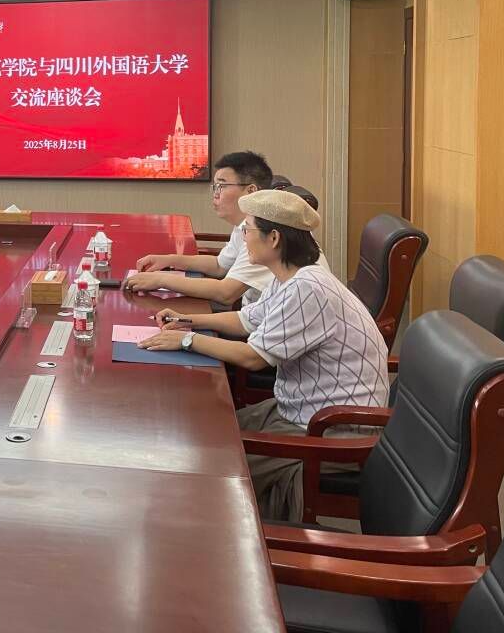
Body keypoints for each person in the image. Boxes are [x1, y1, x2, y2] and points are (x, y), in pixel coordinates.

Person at [139, 190, 389, 520]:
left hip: (331, 428)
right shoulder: (290, 275)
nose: (242, 237)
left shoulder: (306, 287)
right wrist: (188, 321)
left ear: (274, 238)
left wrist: (187, 341)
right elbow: (247, 319)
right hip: (300, 408)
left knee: (207, 467)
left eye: (248, 230)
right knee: (207, 431)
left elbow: (254, 358)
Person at [124, 150, 330, 307]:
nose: (215, 193)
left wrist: (160, 280)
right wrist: (168, 260)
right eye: (214, 186)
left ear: (251, 190)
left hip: (265, 329)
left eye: (222, 186)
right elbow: (220, 265)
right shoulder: (247, 224)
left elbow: (226, 293)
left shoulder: (266, 234)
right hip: (253, 318)